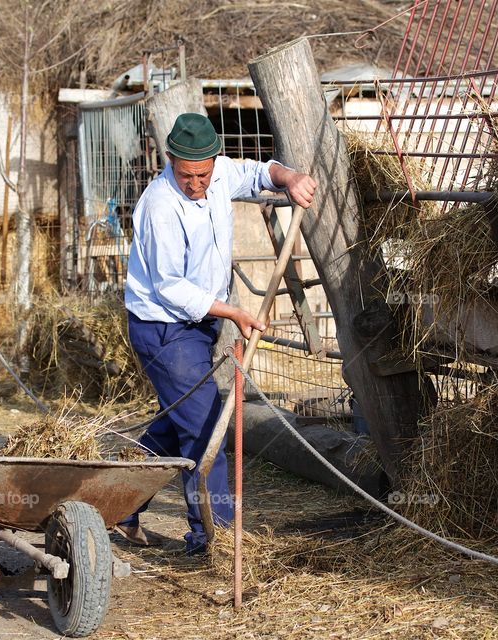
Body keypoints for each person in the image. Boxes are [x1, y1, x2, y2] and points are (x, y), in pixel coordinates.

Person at [116, 113, 317, 555]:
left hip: (200, 323)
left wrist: (290, 178)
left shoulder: (219, 172)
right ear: (170, 160)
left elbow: (260, 172)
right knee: (207, 428)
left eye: (203, 174)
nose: (196, 184)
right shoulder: (158, 206)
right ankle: (215, 537)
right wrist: (234, 312)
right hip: (164, 328)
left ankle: (117, 503)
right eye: (186, 175)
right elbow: (171, 287)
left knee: (176, 421)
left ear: (213, 161)